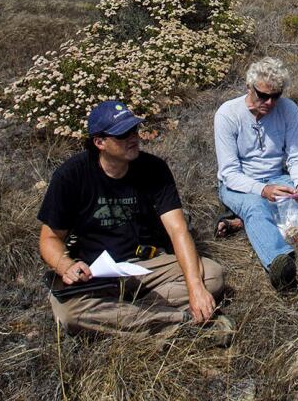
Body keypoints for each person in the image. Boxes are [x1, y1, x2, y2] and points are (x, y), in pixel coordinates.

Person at [38, 100, 230, 339]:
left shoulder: (154, 169)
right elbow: (49, 238)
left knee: (212, 275)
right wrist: (66, 266)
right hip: (95, 273)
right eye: (123, 134)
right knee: (68, 314)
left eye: (134, 130)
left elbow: (178, 229)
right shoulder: (71, 175)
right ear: (100, 142)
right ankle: (180, 322)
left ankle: (125, 318)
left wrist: (195, 288)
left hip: (146, 265)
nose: (133, 138)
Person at [214, 57, 298, 291]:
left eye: (276, 96)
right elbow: (229, 172)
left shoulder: (288, 109)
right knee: (254, 205)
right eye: (262, 95)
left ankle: (247, 222)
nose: (270, 102)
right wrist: (262, 190)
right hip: (241, 184)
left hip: (277, 179)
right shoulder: (227, 115)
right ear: (248, 87)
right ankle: (279, 262)